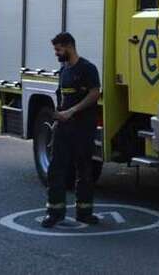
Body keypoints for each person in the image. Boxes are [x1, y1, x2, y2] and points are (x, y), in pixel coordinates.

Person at [41, 32, 102, 228]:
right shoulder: (63, 71)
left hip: (83, 128)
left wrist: (72, 111)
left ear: (69, 47)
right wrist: (59, 116)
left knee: (84, 170)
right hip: (63, 128)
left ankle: (84, 212)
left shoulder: (87, 69)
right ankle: (55, 213)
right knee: (56, 170)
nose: (56, 54)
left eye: (58, 50)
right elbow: (62, 99)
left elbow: (94, 93)